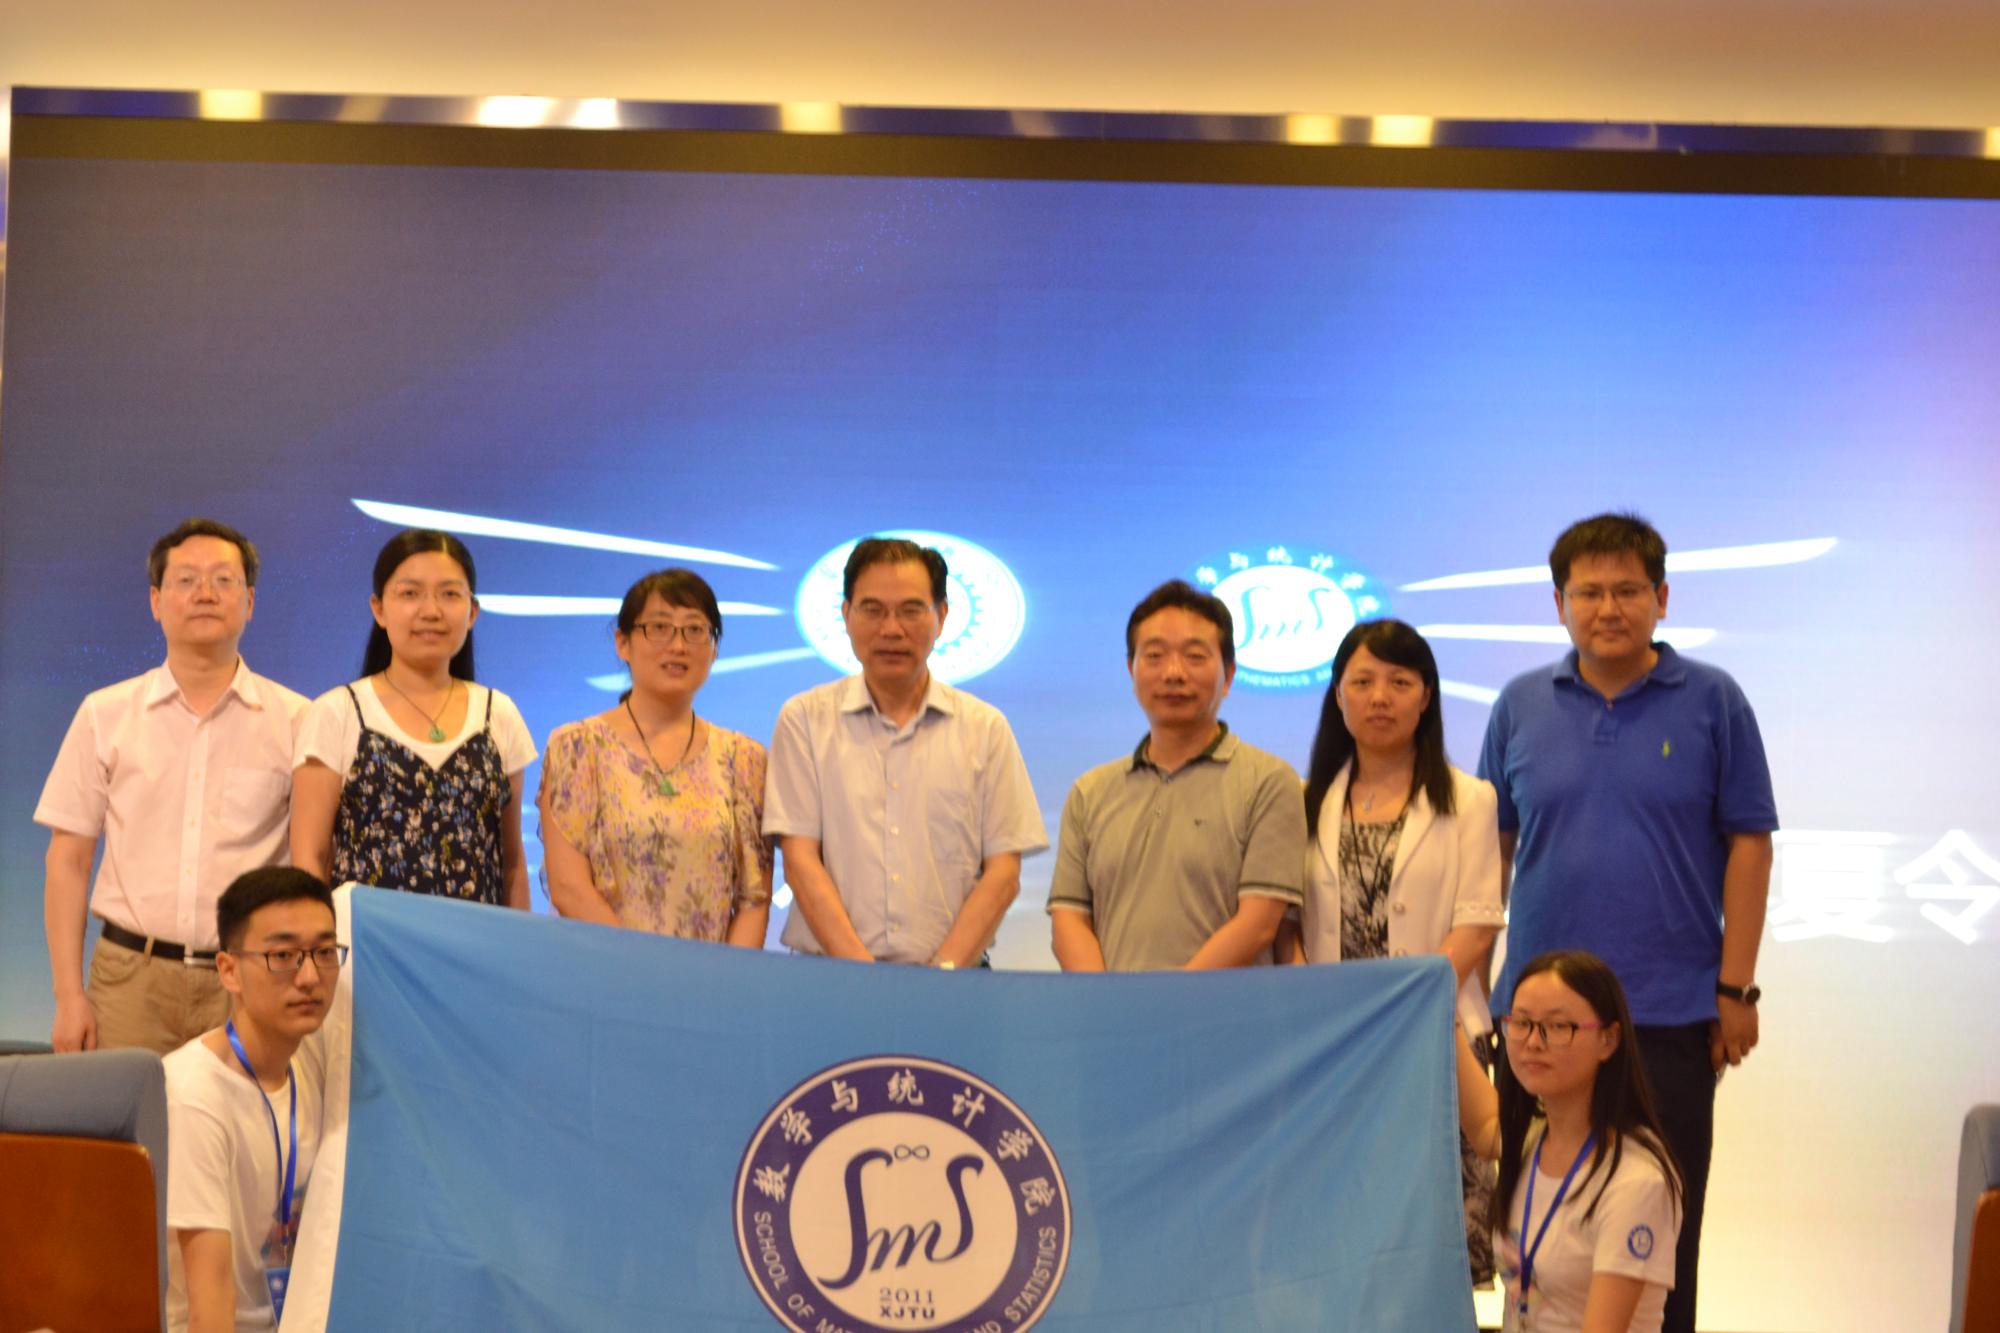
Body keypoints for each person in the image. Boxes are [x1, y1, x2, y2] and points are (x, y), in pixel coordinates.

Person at [1477, 512, 1776, 1333]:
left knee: (1661, 1248)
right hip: (1535, 1019)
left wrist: (1736, 989)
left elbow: (1750, 846)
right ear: (1559, 603)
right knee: (1533, 1233)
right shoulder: (1519, 704)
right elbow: (1488, 853)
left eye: (1628, 590)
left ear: (1662, 597)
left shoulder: (1714, 700)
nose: (1608, 608)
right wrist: (1476, 993)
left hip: (1667, 1015)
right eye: (1588, 592)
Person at [1281, 618, 1504, 1282]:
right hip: (1329, 1041)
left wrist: (1408, 1002)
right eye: (1363, 682)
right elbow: (1285, 924)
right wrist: (1309, 991)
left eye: (1400, 682)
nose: (1380, 697)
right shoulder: (1302, 801)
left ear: (1426, 696)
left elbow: (1477, 922)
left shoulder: (1470, 798)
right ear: (1338, 695)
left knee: (1435, 1236)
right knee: (1338, 1230)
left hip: (1437, 1036)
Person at [36, 518, 307, 1055]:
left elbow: (309, 862)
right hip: (129, 983)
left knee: (248, 1114)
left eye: (223, 580)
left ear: (250, 602)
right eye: (186, 580)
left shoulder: (297, 720)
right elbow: (68, 861)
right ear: (156, 602)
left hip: (248, 979)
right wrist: (68, 996)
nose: (205, 593)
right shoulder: (105, 714)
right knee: (124, 1113)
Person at [764, 537, 1046, 965]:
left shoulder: (985, 728)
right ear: (846, 615)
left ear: (942, 616)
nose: (891, 629)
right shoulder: (804, 720)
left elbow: (1003, 872)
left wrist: (942, 975)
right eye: (873, 610)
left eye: (911, 610)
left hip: (955, 982)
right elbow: (800, 861)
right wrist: (866, 978)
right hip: (830, 979)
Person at [1047, 579, 1306, 971]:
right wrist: (1105, 998)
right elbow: (1070, 920)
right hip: (1114, 1008)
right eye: (1154, 656)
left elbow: (1258, 925)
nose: (1173, 673)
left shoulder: (1269, 781)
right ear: (1131, 669)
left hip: (1228, 1010)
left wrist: (1170, 1000)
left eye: (1195, 656)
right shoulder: (1090, 791)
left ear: (1229, 675)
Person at [291, 529, 535, 907]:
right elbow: (311, 858)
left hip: (476, 939)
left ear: (472, 612)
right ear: (378, 609)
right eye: (410, 593)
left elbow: (512, 865)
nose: (431, 611)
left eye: (449, 594)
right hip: (368, 940)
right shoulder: (337, 711)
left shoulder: (498, 713)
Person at [538, 569, 773, 943]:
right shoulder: (578, 747)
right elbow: (569, 888)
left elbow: (754, 900)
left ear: (714, 649)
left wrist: (724, 974)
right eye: (659, 628)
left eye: (695, 630)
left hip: (710, 975)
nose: (678, 645)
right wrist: (644, 969)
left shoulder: (744, 759)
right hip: (603, 968)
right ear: (623, 643)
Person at [1455, 951, 1684, 1333]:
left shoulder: (1636, 1181)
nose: (1533, 1041)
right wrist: (1441, 1014)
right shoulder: (1535, 1140)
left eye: (1558, 1026)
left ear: (1609, 1039)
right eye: (1521, 1023)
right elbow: (1484, 1127)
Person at [166, 866, 341, 1333]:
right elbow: (210, 1305)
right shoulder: (191, 1093)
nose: (310, 976)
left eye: (325, 952)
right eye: (283, 955)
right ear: (229, 971)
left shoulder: (313, 1067)